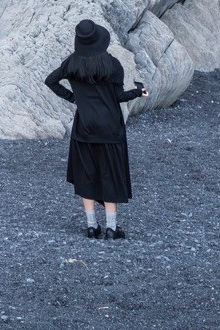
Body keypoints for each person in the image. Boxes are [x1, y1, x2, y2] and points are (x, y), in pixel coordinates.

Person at [44, 19, 148, 240]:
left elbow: (50, 81)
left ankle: (92, 226)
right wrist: (138, 92)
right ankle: (111, 228)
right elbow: (119, 97)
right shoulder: (112, 65)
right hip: (110, 127)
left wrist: (74, 98)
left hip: (85, 126)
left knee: (86, 174)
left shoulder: (71, 64)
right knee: (110, 172)